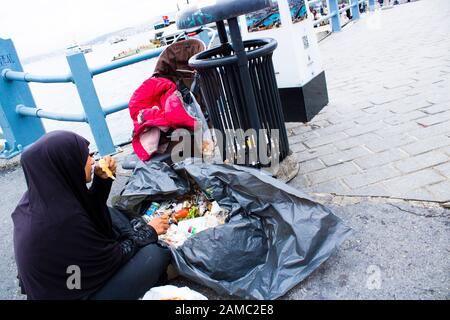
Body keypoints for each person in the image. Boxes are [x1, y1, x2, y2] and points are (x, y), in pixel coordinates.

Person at [12, 131, 171, 300]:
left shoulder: (38, 198)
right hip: (76, 291)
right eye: (85, 156)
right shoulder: (64, 221)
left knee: (111, 213)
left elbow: (87, 210)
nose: (92, 160)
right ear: (67, 163)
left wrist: (102, 182)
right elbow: (112, 259)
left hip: (66, 277)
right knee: (155, 254)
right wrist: (149, 232)